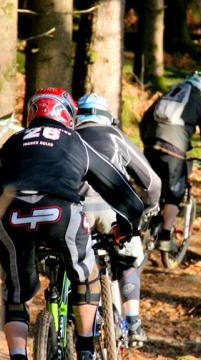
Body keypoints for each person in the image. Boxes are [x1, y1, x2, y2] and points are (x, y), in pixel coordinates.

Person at [0, 87, 144, 360]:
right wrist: (126, 225)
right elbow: (121, 192)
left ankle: (18, 355)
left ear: (33, 113)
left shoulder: (13, 142)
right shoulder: (75, 141)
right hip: (61, 214)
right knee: (87, 278)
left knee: (14, 295)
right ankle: (85, 350)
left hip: (13, 218)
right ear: (67, 115)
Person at [75, 93, 161, 348]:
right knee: (128, 259)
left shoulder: (68, 137)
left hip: (75, 211)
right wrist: (149, 207)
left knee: (76, 261)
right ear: (107, 117)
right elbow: (151, 182)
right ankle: (133, 323)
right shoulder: (116, 136)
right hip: (113, 209)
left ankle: (81, 317)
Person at [139, 71, 201, 251]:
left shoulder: (168, 94)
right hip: (174, 151)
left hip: (151, 145)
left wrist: (148, 142)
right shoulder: (199, 101)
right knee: (174, 193)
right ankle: (166, 237)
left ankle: (139, 225)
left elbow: (144, 120)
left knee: (151, 185)